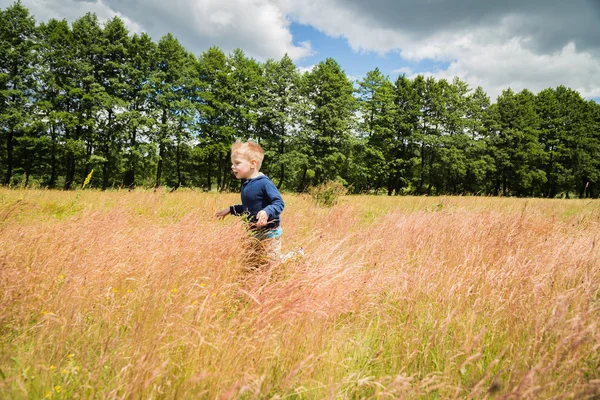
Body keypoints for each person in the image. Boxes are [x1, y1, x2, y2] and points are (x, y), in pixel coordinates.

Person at [215, 141, 285, 269]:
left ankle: (293, 258)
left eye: (237, 163)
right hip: (254, 234)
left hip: (269, 234)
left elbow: (279, 203)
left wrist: (266, 211)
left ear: (253, 163)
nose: (232, 167)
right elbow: (248, 209)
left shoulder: (264, 183)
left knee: (270, 265)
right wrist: (231, 210)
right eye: (232, 163)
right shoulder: (247, 184)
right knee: (251, 264)